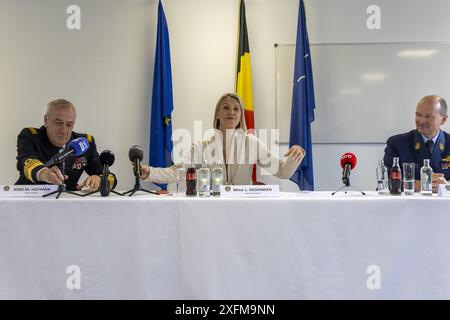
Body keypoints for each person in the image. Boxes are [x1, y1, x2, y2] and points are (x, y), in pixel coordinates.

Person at [139, 93, 305, 186]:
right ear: (217, 114)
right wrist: (150, 172)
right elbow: (178, 173)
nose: (231, 112)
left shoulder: (252, 144)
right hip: (212, 213)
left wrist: (296, 154)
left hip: (243, 211)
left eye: (236, 109)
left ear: (240, 116)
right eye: (225, 107)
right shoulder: (200, 146)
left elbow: (282, 171)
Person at [15, 99, 116, 191]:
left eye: (69, 125)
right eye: (58, 123)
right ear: (46, 120)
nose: (63, 130)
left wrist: (99, 179)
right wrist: (44, 173)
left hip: (67, 205)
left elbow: (109, 177)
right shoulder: (30, 136)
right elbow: (26, 162)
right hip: (27, 199)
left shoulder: (84, 143)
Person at [383, 95, 450, 192]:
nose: (422, 120)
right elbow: (386, 182)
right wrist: (420, 184)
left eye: (428, 116)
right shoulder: (397, 143)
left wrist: (445, 185)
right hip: (408, 206)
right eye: (418, 115)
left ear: (443, 119)